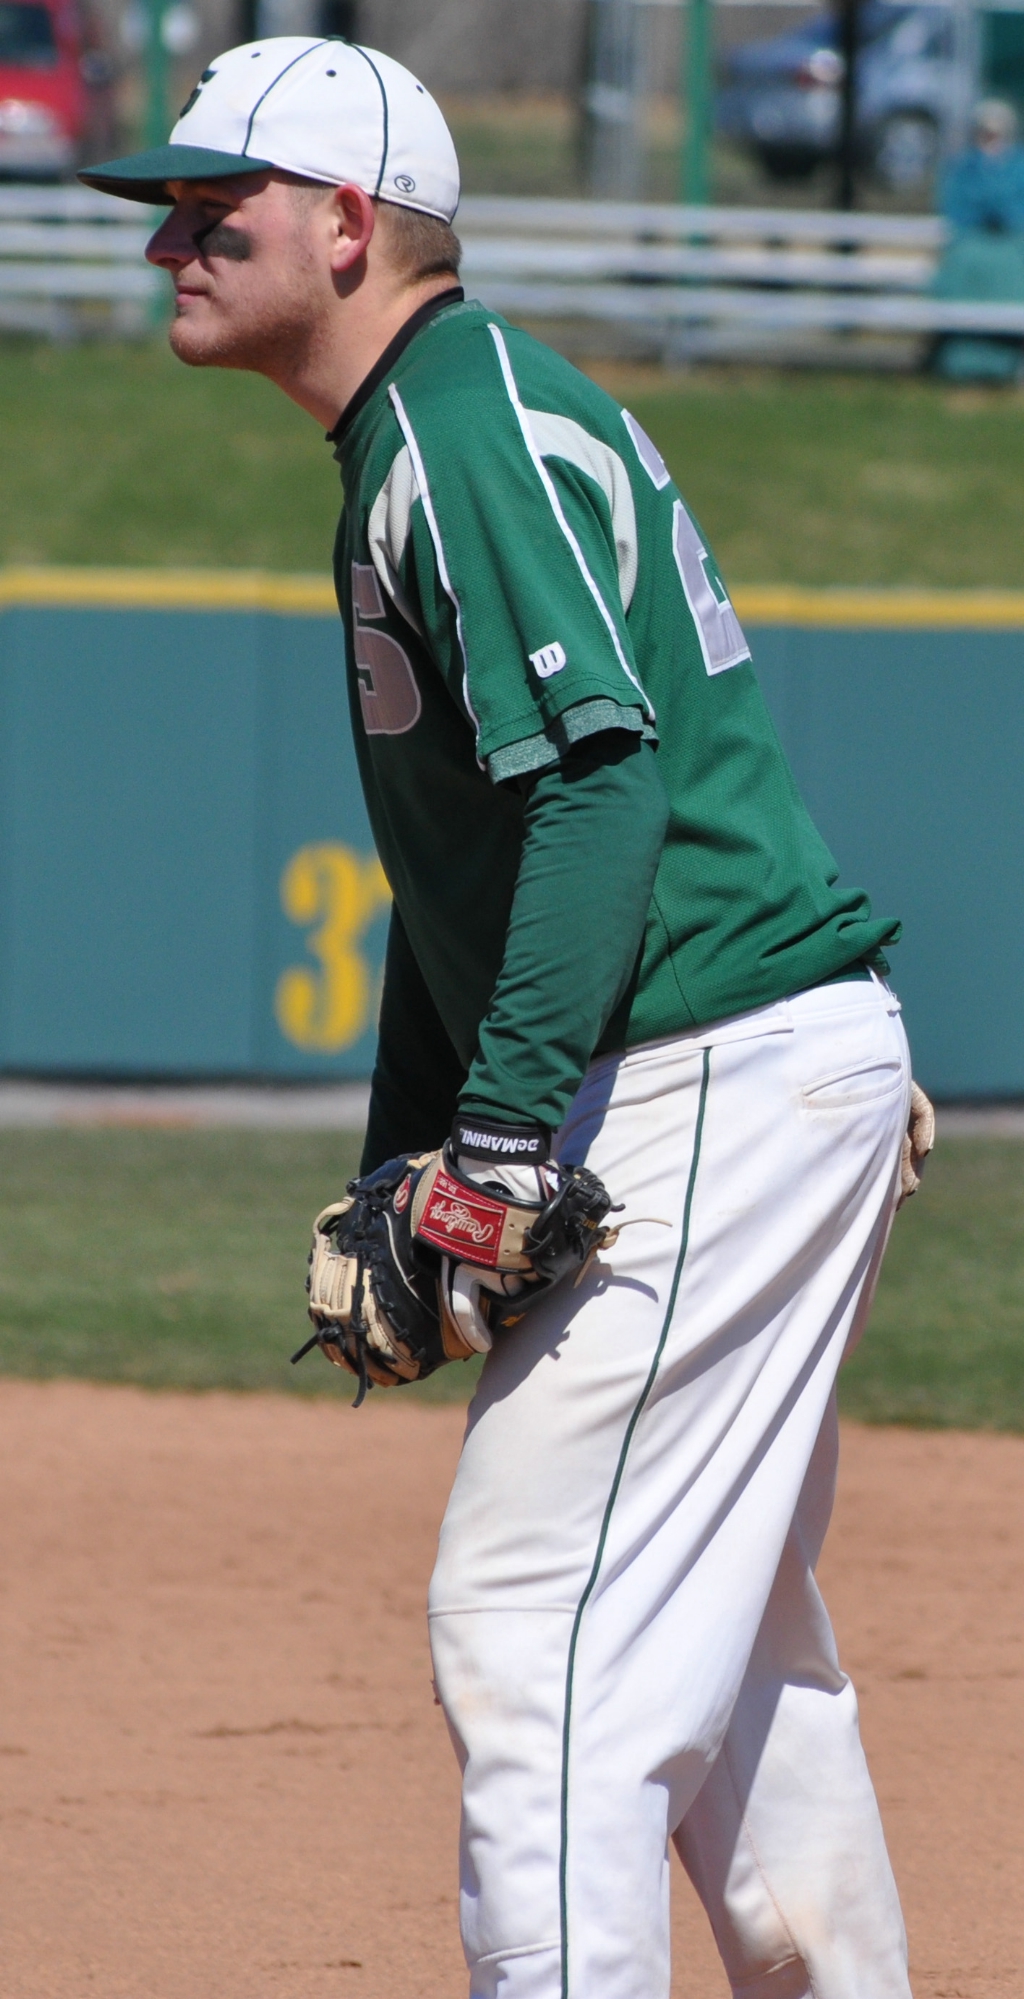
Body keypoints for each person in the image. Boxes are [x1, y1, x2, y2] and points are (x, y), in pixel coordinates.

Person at [82, 40, 930, 1999]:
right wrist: (414, 1139)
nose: (172, 240)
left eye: (218, 206)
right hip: (756, 1058)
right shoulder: (435, 426)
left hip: (709, 1055)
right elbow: (459, 877)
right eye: (166, 207)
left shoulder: (446, 430)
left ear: (351, 224)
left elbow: (602, 790)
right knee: (723, 1646)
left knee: (530, 1617)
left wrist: (488, 1151)